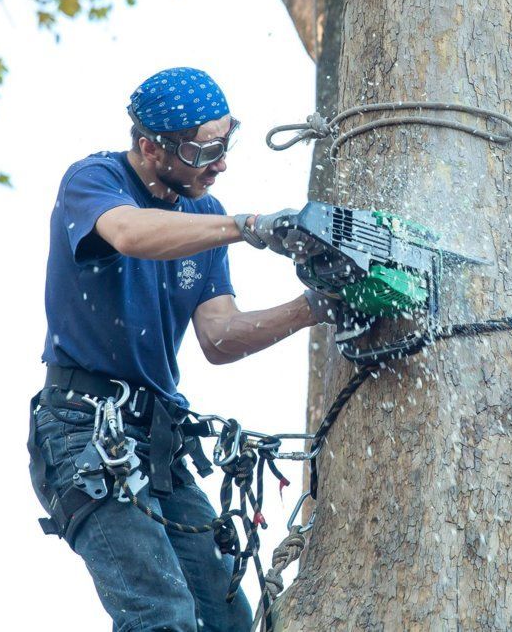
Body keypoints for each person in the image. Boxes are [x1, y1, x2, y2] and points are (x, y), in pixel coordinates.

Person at [27, 66, 334, 632]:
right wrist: (247, 226)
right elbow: (130, 234)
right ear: (150, 146)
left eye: (225, 144)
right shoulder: (96, 180)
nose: (220, 164)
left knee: (226, 622)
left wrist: (315, 306)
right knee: (160, 615)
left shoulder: (205, 216)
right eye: (204, 151)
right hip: (82, 430)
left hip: (159, 441)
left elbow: (219, 337)